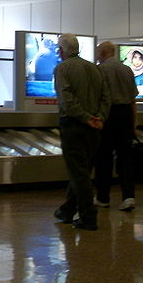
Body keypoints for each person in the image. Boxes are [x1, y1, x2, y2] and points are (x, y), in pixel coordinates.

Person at [53, 33, 110, 231]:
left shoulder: (62, 69)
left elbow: (67, 101)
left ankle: (88, 216)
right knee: (82, 170)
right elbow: (106, 97)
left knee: (79, 173)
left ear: (61, 51)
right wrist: (99, 117)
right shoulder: (95, 68)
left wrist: (85, 117)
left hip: (73, 126)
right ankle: (67, 210)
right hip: (94, 128)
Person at [93, 41, 139, 212]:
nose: (97, 55)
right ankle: (128, 196)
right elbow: (133, 100)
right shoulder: (127, 70)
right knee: (125, 158)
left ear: (103, 53)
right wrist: (134, 123)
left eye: (98, 52)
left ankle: (103, 197)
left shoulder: (100, 70)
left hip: (108, 115)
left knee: (103, 157)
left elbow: (97, 97)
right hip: (126, 115)